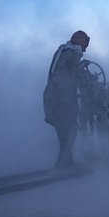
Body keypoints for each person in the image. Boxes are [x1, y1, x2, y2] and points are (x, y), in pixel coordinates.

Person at [43, 30, 90, 169]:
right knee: (71, 128)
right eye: (85, 45)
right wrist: (87, 84)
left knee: (62, 128)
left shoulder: (62, 50)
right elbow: (75, 75)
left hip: (52, 94)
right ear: (81, 42)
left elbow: (63, 72)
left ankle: (66, 161)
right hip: (63, 97)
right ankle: (64, 164)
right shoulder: (73, 54)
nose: (85, 49)